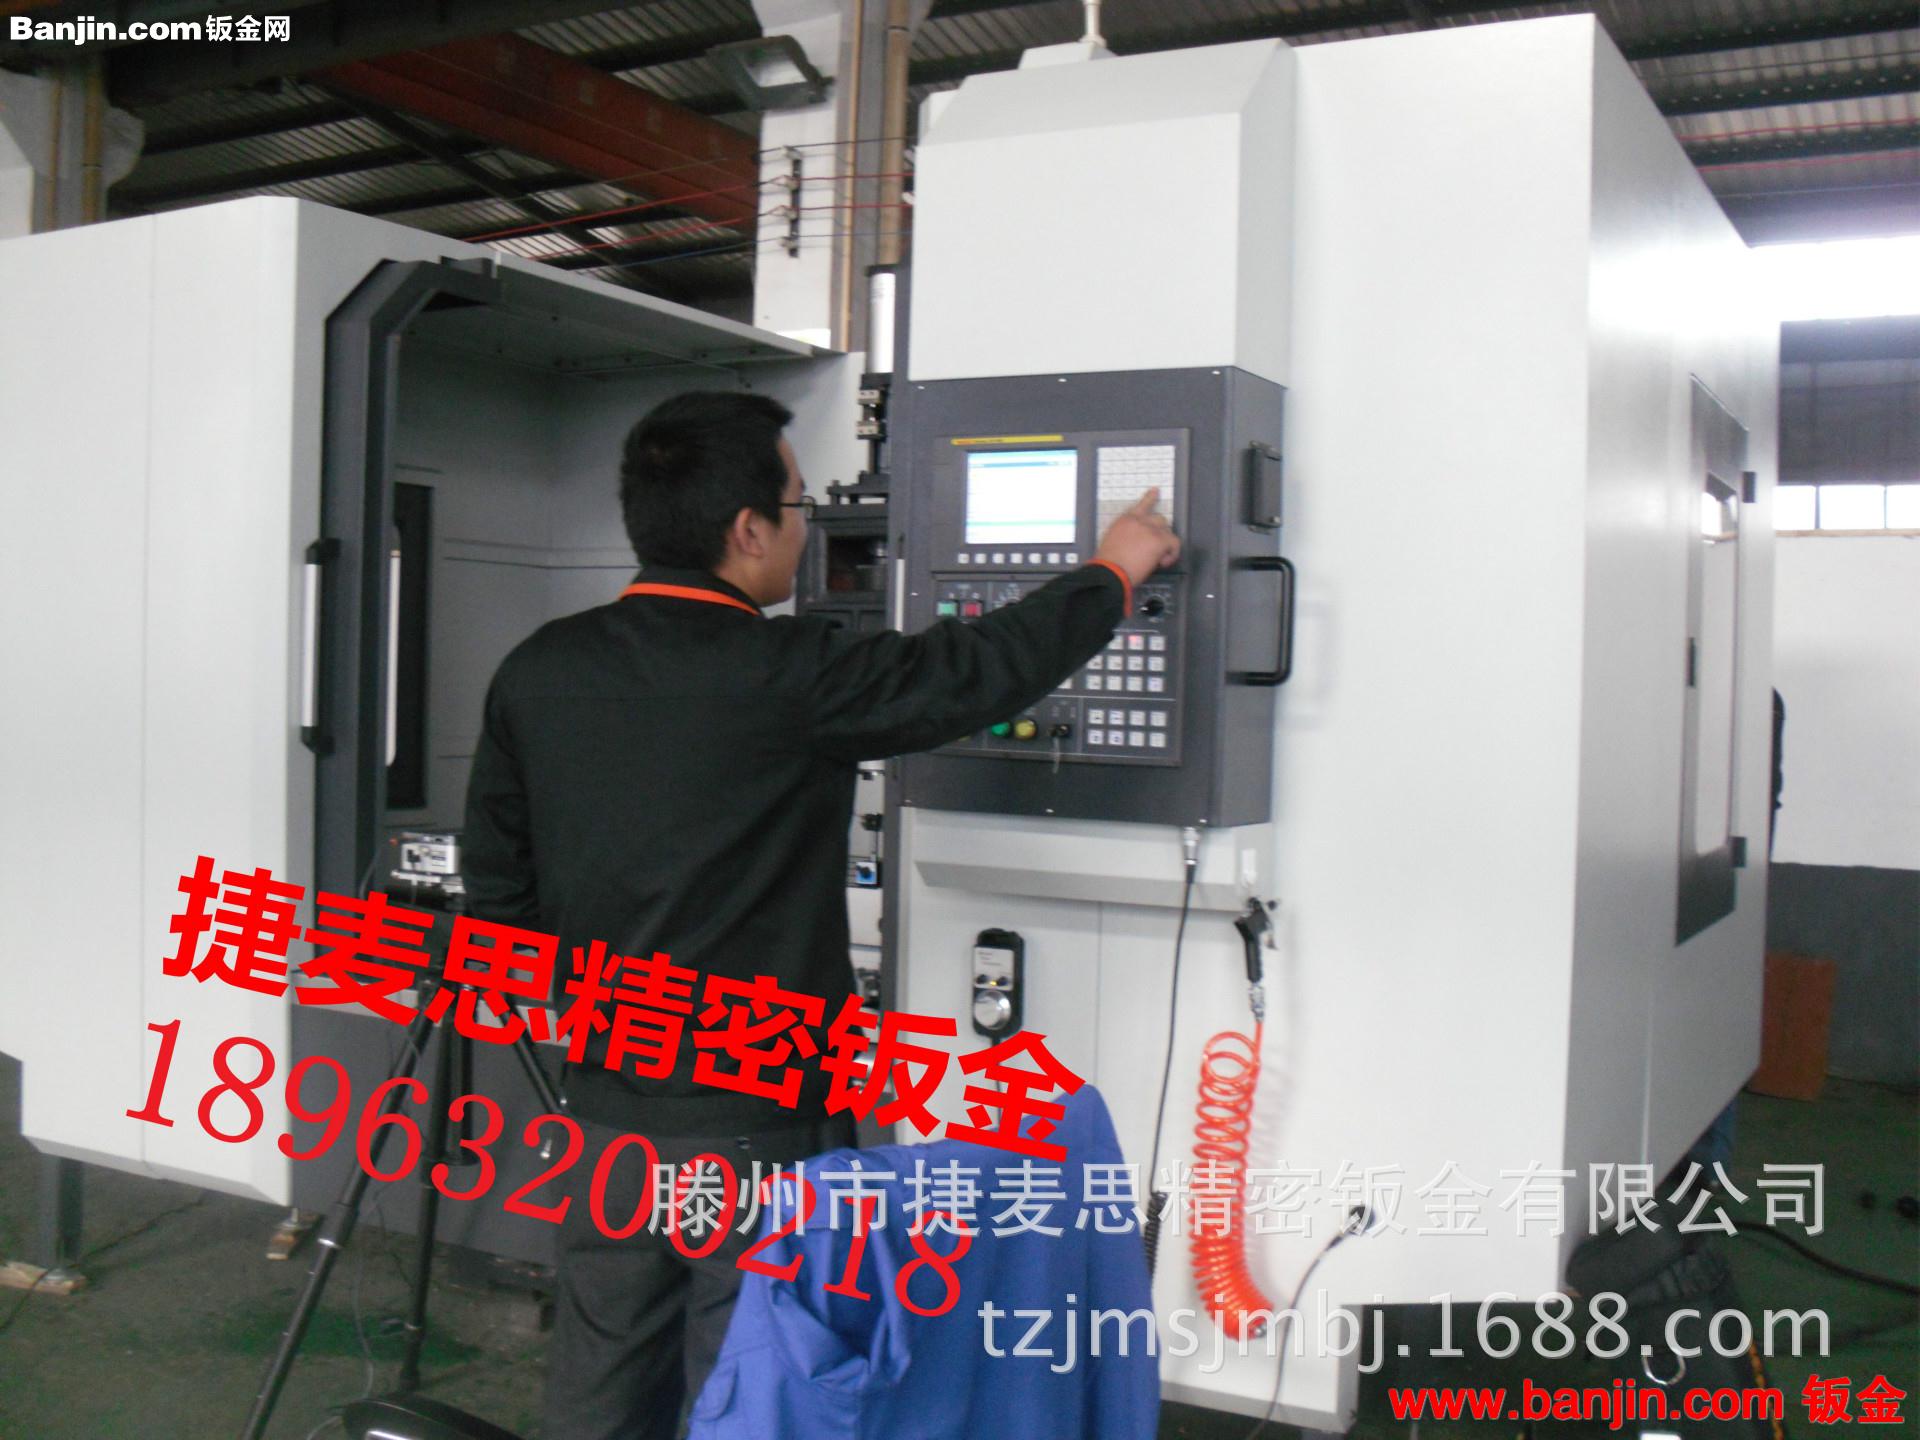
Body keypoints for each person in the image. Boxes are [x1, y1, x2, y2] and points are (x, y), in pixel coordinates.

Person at [459, 390, 1180, 1440]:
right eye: (799, 506)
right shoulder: (788, 673)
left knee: (600, 1378)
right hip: (758, 1120)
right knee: (756, 1382)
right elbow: (968, 672)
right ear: (748, 530)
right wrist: (1111, 572)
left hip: (607, 1114)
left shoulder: (539, 669)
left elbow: (498, 897)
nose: (807, 528)